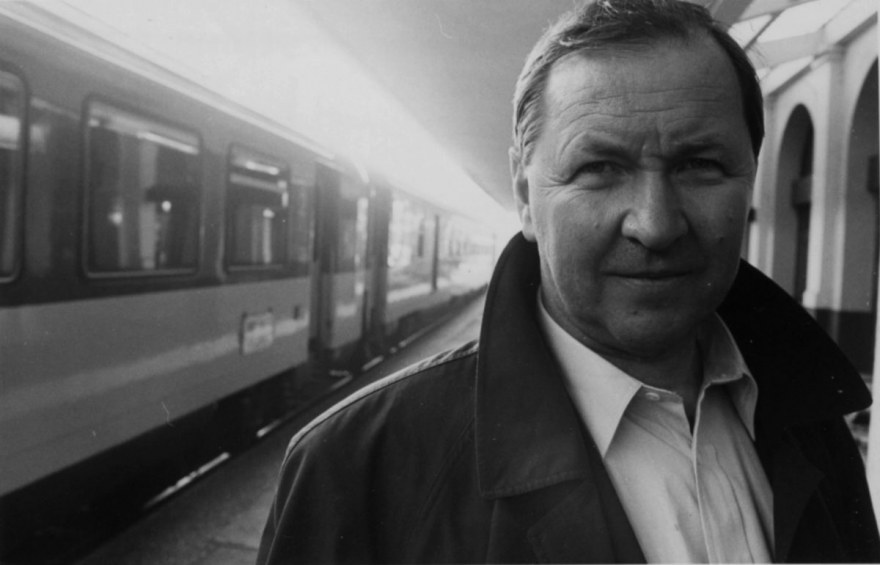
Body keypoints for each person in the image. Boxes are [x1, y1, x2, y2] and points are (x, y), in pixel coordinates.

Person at [257, 0, 880, 562]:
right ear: (526, 196)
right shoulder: (354, 470)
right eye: (600, 167)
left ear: (749, 178)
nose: (656, 225)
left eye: (700, 164)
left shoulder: (811, 418)